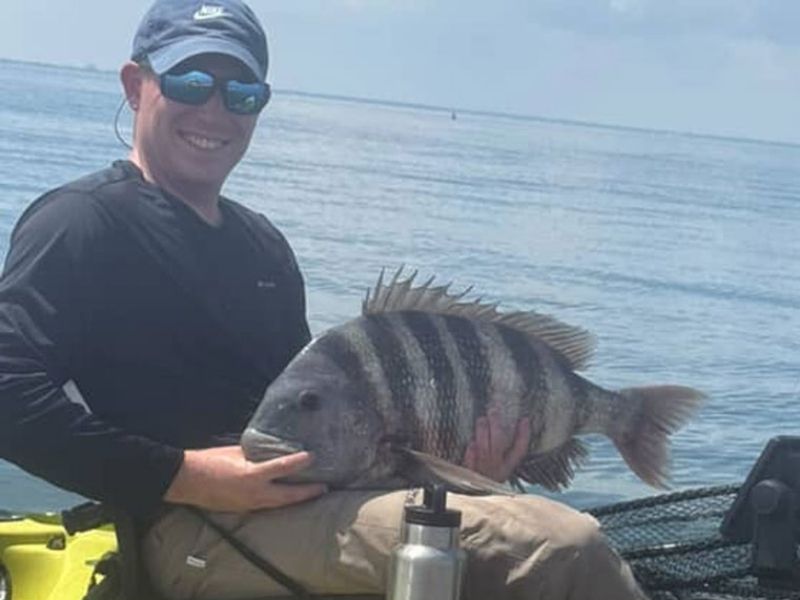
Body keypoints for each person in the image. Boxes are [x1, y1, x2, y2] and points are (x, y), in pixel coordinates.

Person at [0, 1, 647, 599]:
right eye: (191, 83)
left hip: (318, 502)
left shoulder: (262, 246)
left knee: (525, 523)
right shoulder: (84, 223)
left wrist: (461, 465)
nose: (217, 111)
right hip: (191, 526)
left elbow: (332, 408)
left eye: (243, 92)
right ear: (136, 85)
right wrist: (186, 476)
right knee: (562, 548)